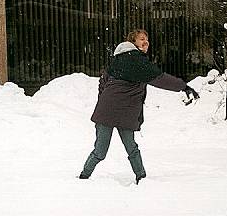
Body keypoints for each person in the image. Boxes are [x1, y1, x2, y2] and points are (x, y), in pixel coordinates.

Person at [79, 29, 199, 184]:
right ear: (132, 42)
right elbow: (159, 78)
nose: (146, 42)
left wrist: (104, 99)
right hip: (114, 111)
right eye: (142, 39)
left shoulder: (120, 59)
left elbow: (103, 82)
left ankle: (86, 176)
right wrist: (183, 86)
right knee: (121, 149)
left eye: (147, 39)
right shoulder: (135, 60)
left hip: (115, 111)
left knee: (106, 151)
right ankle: (138, 177)